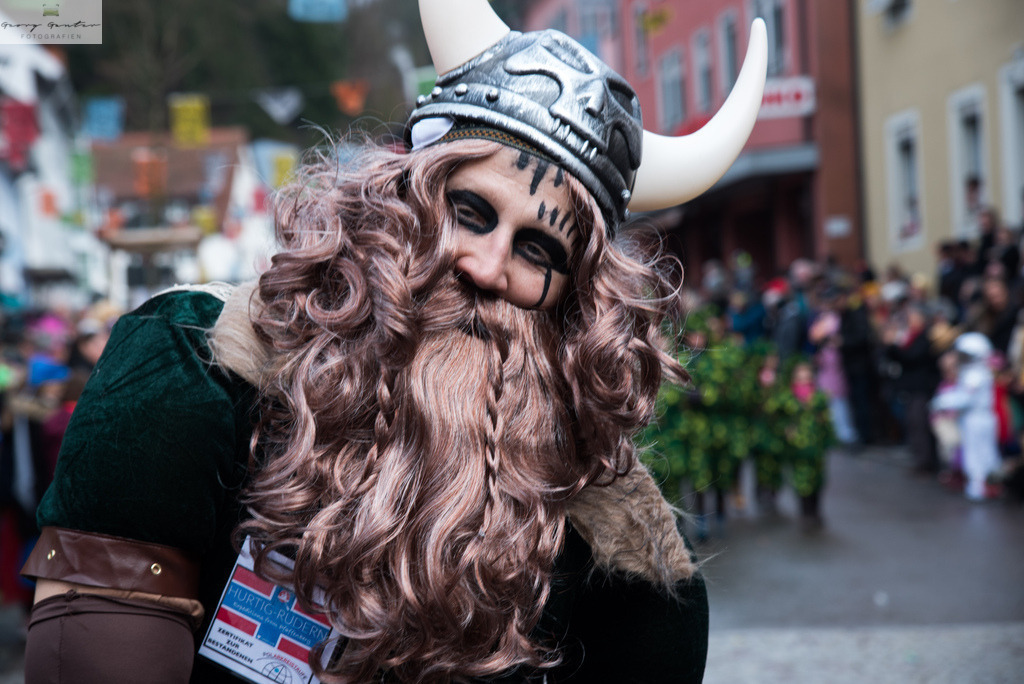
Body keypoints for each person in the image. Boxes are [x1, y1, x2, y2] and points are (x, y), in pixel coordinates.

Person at [21, 2, 768, 683]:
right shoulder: (198, 366)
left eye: (539, 251)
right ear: (400, 198)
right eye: (470, 210)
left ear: (576, 303)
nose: (486, 264)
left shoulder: (619, 549)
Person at [931, 333, 1002, 501]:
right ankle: (985, 485)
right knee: (981, 453)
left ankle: (979, 487)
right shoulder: (975, 372)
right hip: (977, 418)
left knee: (977, 455)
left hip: (977, 418)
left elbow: (965, 398)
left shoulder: (975, 375)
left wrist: (943, 401)